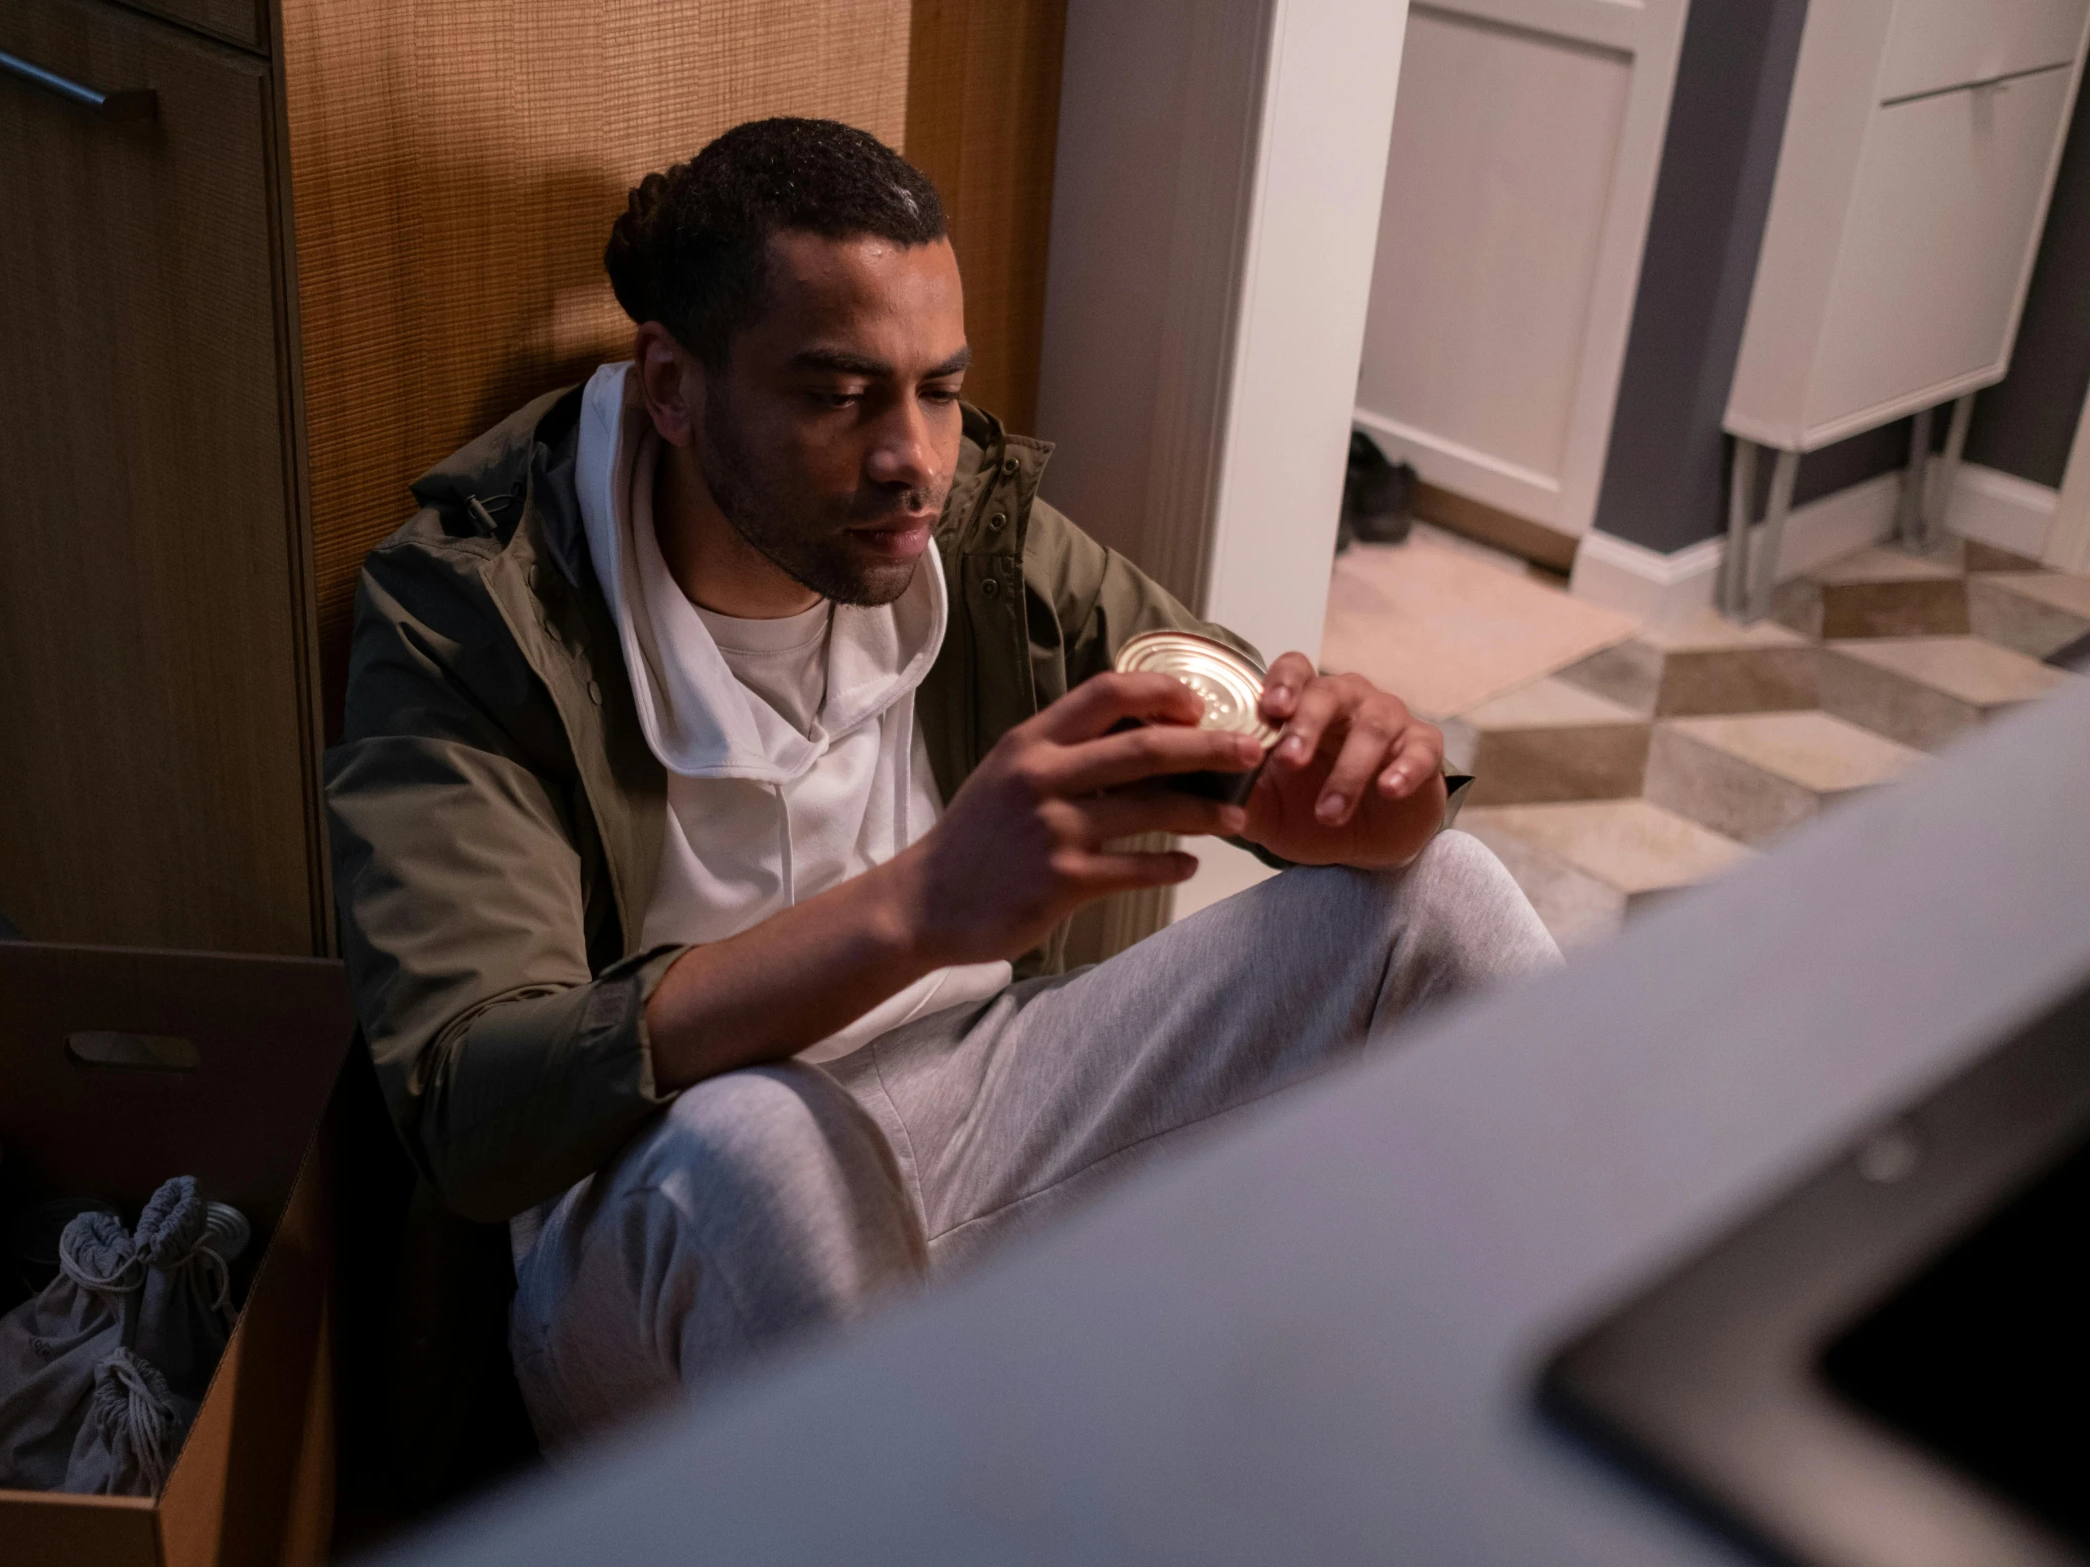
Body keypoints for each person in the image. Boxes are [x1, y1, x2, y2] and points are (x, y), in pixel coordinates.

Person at [325, 117, 1558, 1451]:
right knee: (761, 1152)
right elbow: (470, 1108)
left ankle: (1583, 1449)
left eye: (937, 388)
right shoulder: (472, 615)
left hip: (971, 1108)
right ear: (672, 388)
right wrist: (918, 907)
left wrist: (1370, 785)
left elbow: (1272, 750)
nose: (913, 455)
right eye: (838, 395)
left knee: (1445, 903)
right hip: (651, 1219)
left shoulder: (968, 533)